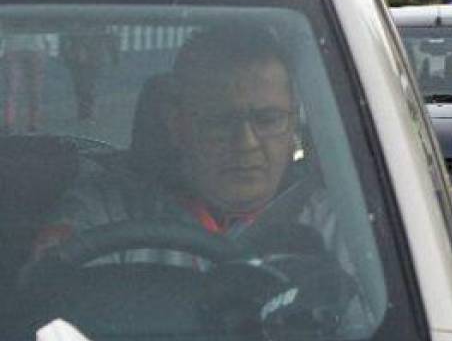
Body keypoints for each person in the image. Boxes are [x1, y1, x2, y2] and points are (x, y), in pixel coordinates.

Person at [35, 27, 337, 266]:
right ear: (177, 126)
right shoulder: (103, 213)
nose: (246, 142)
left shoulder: (340, 226)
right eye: (220, 121)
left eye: (268, 120)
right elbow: (55, 314)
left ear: (294, 122)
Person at [1, 29, 50, 135]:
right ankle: (26, 124)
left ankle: (18, 123)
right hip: (26, 48)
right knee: (20, 90)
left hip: (20, 47)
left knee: (19, 90)